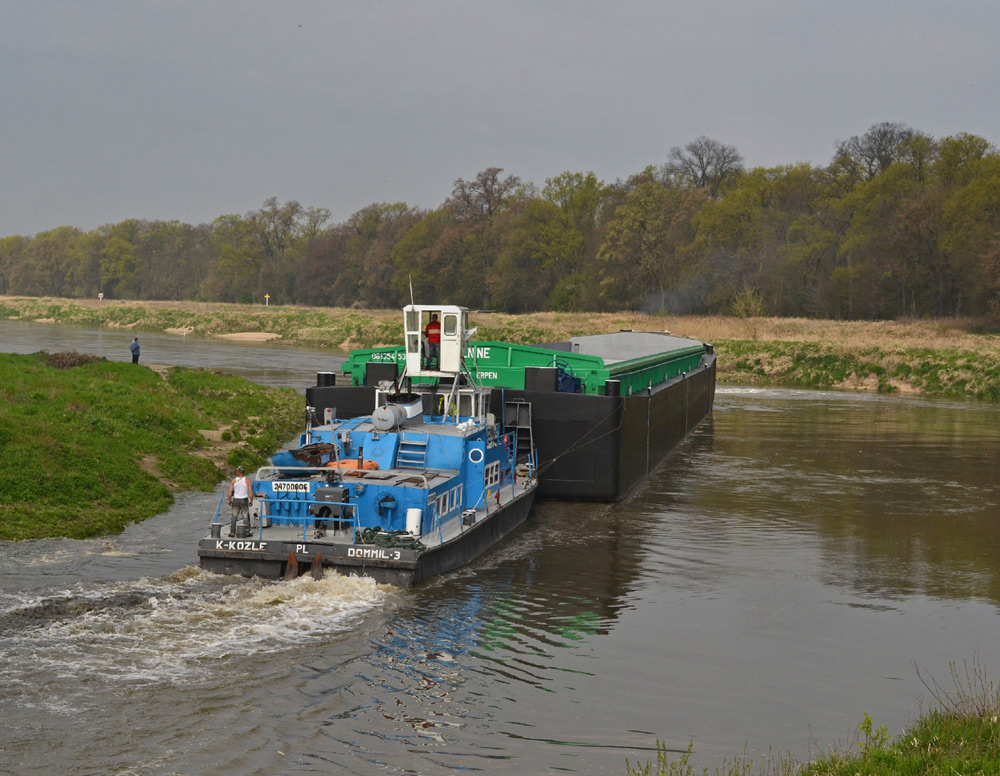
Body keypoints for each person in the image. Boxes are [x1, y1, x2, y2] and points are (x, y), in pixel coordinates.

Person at [227, 465, 254, 537]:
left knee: (234, 516)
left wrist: (229, 500)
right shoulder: (247, 481)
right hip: (244, 499)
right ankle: (247, 532)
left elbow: (230, 492)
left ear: (238, 472)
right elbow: (251, 492)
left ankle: (232, 533)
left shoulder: (234, 481)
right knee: (245, 516)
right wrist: (251, 500)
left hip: (236, 500)